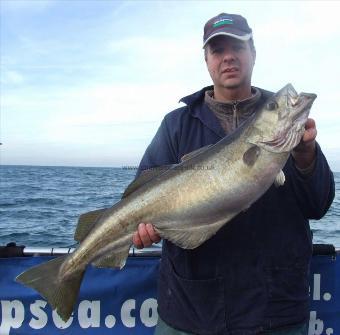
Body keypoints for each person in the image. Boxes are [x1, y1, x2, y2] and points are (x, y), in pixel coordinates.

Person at [132, 13, 335, 335]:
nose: (228, 56)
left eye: (237, 47)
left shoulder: (284, 125)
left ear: (252, 53)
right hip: (192, 311)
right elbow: (140, 192)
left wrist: (306, 154)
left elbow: (318, 206)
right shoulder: (177, 124)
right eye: (217, 50)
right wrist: (140, 230)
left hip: (275, 311)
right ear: (207, 60)